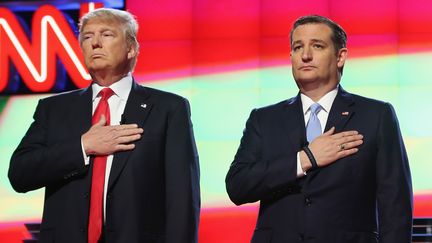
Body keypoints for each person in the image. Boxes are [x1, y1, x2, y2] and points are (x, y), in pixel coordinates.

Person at [8, 8, 200, 243]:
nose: (95, 43)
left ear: (131, 48)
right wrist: (82, 146)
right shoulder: (54, 109)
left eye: (107, 35)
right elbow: (20, 174)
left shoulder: (169, 108)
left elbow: (182, 197)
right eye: (87, 37)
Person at [226, 15, 412, 243]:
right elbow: (237, 186)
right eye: (297, 47)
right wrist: (304, 159)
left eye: (317, 45)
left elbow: (395, 206)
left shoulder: (376, 116)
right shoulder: (264, 119)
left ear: (340, 56)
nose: (305, 55)